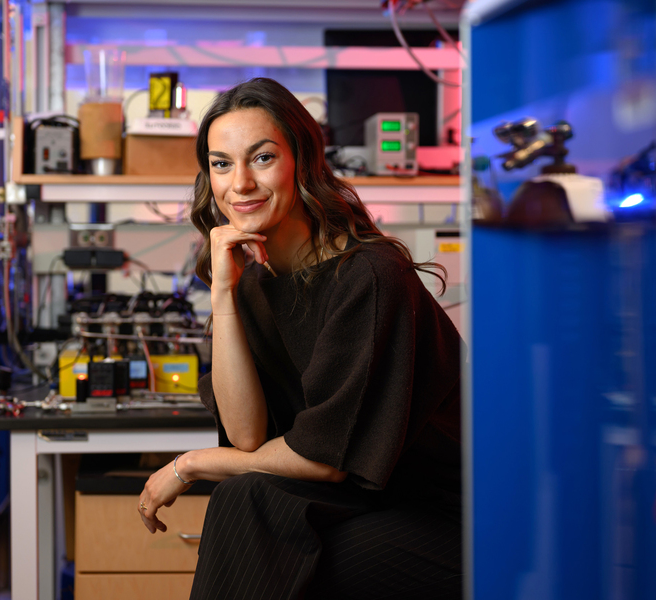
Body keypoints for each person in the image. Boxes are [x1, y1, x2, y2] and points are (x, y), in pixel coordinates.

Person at [137, 77, 463, 599]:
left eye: (262, 158)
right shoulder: (253, 281)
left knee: (280, 555)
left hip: (443, 515)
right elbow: (247, 437)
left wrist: (190, 464)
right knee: (247, 502)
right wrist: (224, 293)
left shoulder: (369, 276)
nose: (240, 183)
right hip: (358, 501)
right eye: (221, 164)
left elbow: (324, 461)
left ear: (303, 162)